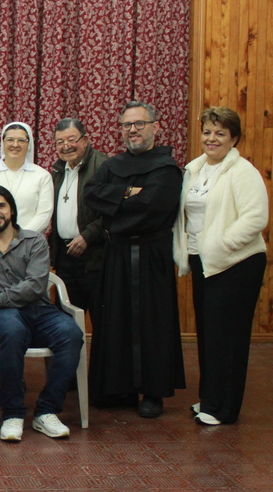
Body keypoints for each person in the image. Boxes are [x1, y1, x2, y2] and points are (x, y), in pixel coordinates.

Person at [83, 101, 184, 418]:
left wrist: (117, 205)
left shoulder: (166, 168)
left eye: (139, 124)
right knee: (117, 320)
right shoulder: (112, 166)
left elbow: (153, 207)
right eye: (127, 125)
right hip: (117, 254)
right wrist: (128, 194)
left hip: (152, 254)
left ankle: (153, 392)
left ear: (155, 126)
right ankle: (121, 388)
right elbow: (91, 194)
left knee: (152, 323)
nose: (133, 130)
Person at [172, 107, 267, 426]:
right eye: (208, 132)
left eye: (220, 133)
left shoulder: (243, 172)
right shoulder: (195, 169)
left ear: (234, 139)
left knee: (228, 338)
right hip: (204, 263)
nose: (212, 139)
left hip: (237, 264)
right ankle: (211, 400)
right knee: (209, 335)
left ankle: (224, 409)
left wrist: (221, 245)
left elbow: (255, 219)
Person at [0, 185, 83, 442]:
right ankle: (12, 414)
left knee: (72, 333)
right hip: (6, 314)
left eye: (0, 206)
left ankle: (46, 411)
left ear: (11, 209)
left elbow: (35, 287)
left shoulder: (34, 240)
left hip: (40, 310)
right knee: (12, 331)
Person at [49, 118, 108, 312]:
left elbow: (112, 212)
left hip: (94, 257)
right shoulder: (57, 171)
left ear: (85, 139)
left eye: (71, 139)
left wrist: (87, 237)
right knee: (66, 317)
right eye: (60, 142)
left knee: (101, 318)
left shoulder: (103, 167)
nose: (66, 146)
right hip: (66, 257)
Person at [0, 122, 54, 234]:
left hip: (28, 243)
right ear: (3, 143)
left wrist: (21, 237)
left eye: (21, 140)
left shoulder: (42, 176)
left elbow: (44, 214)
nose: (15, 144)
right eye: (10, 139)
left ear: (29, 144)